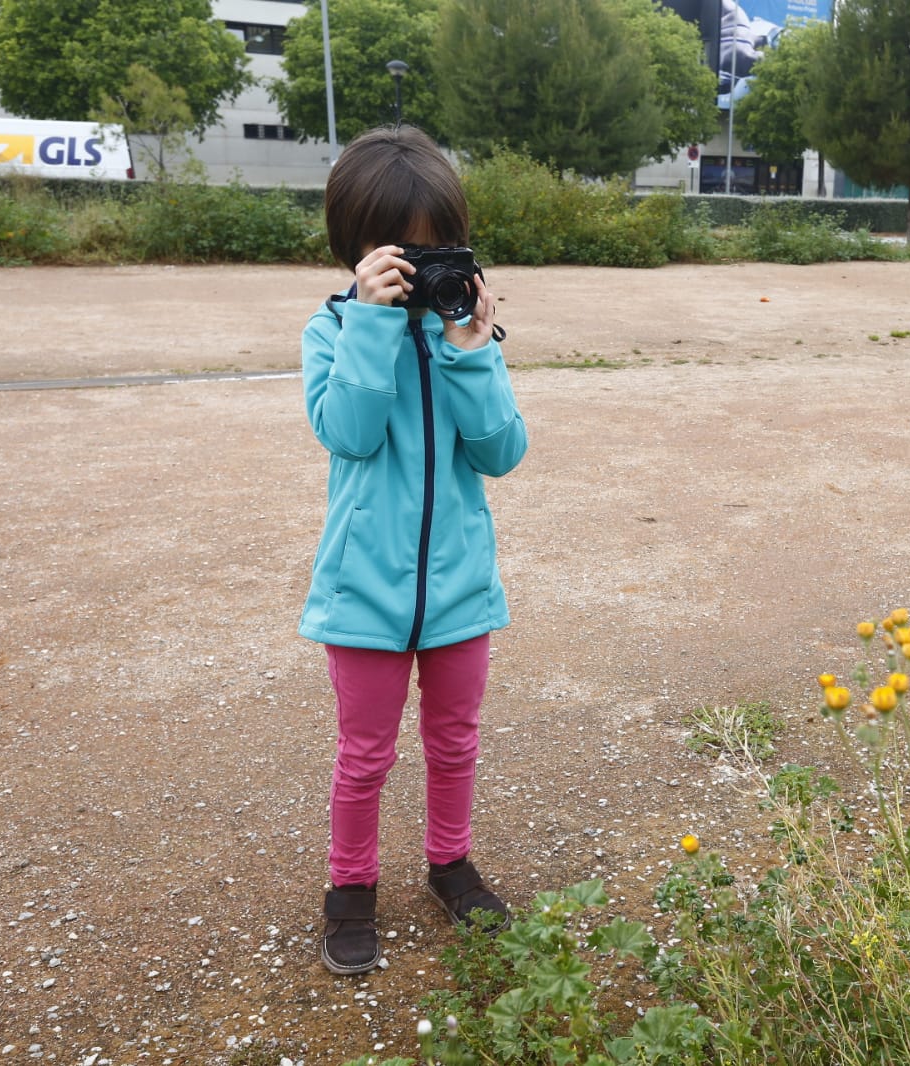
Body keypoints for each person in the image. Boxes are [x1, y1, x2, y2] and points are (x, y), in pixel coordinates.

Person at [298, 125, 528, 976]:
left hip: (460, 587)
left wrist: (471, 355)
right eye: (399, 251)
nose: (421, 269)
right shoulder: (331, 331)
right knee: (364, 755)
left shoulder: (464, 335)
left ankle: (450, 863)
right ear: (354, 249)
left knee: (456, 740)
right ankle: (349, 887)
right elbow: (349, 434)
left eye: (439, 250)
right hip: (364, 590)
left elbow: (501, 454)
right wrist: (369, 323)